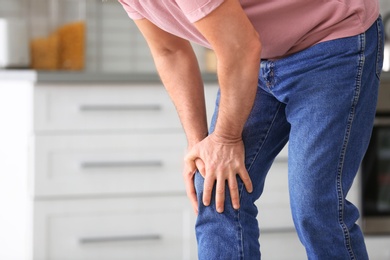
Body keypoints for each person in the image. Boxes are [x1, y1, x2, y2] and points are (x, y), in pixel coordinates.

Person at [118, 0, 383, 259]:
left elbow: (241, 48)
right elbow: (169, 51)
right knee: (213, 185)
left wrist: (225, 139)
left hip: (330, 43)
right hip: (253, 59)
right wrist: (199, 147)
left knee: (315, 207)